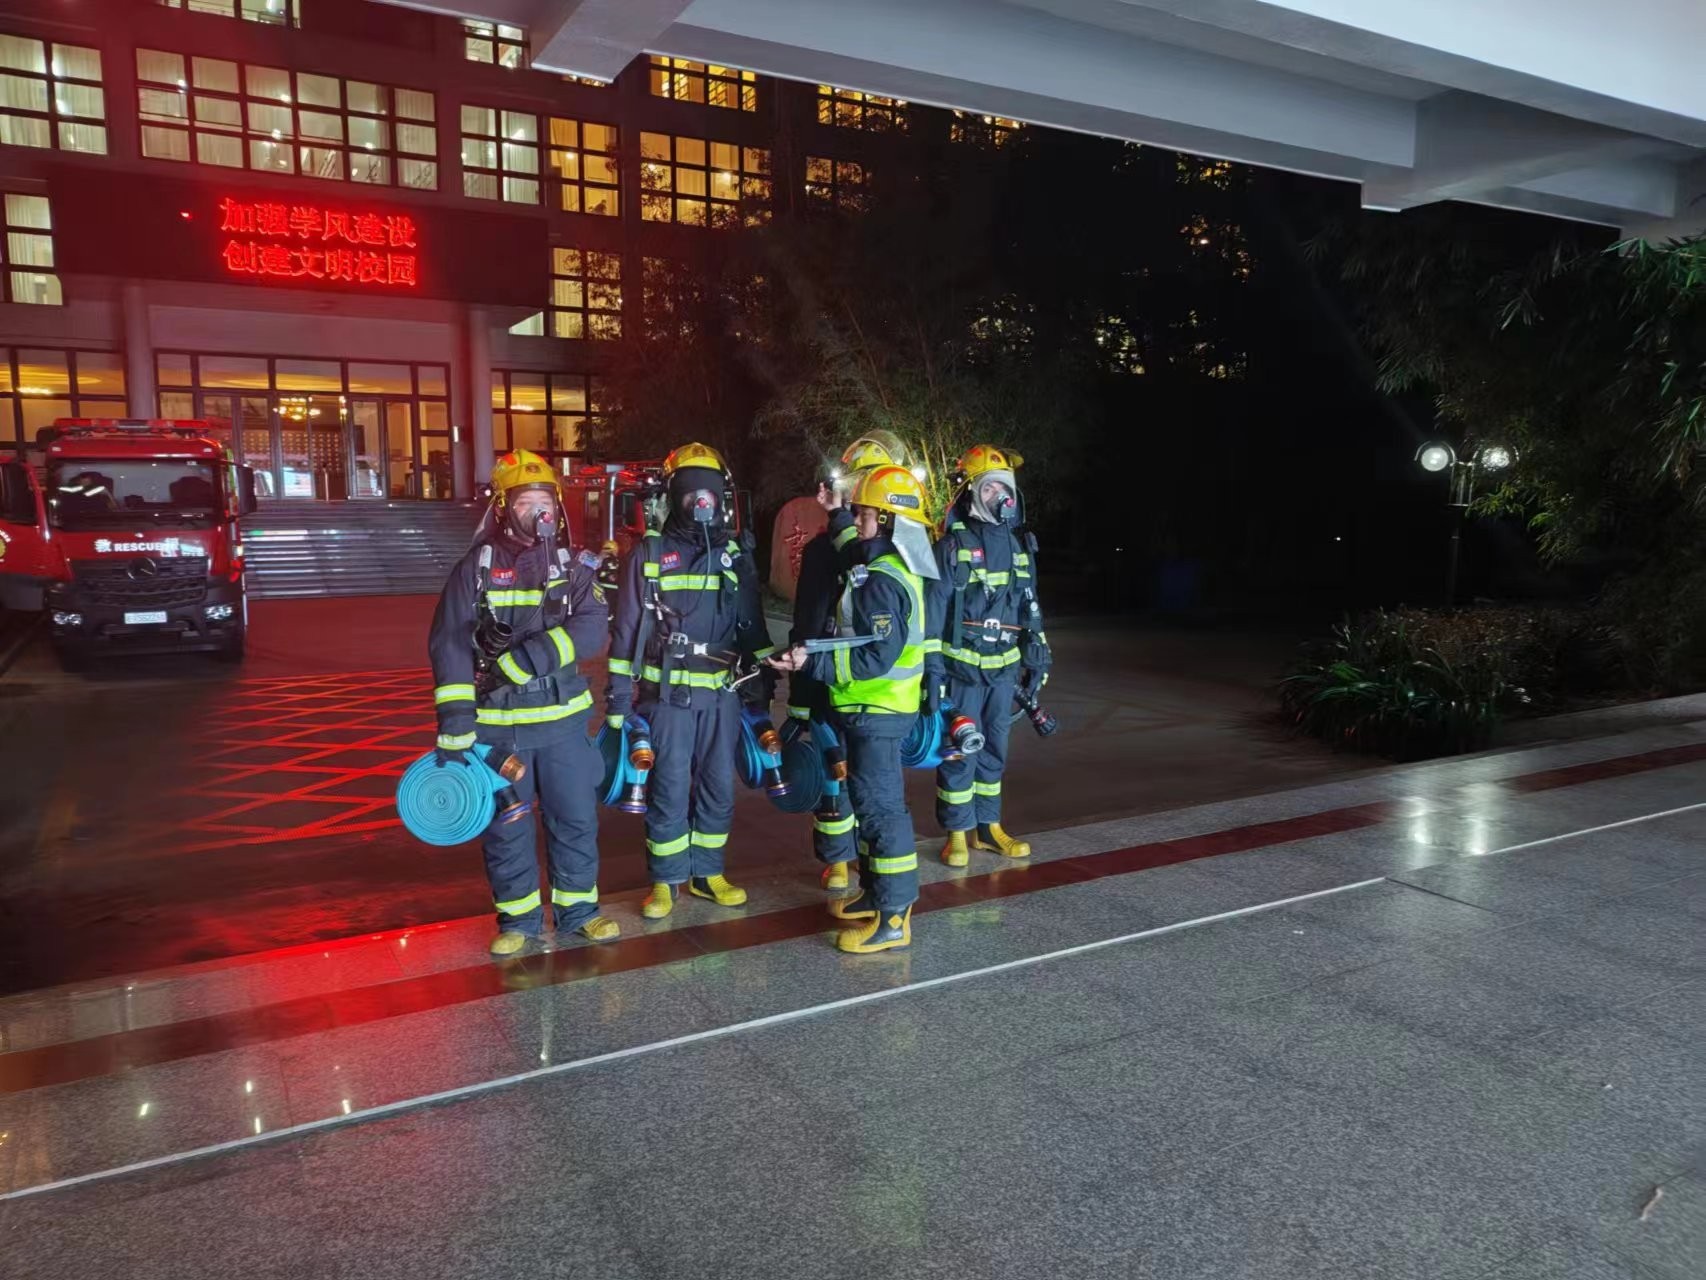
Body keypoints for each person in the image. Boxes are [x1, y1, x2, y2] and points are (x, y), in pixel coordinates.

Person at [428, 450, 616, 956]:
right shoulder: (477, 568)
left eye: (544, 502)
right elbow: (449, 644)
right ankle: (519, 922)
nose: (538, 512)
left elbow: (592, 626)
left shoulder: (573, 566)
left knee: (575, 819)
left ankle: (580, 912)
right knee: (507, 828)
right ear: (503, 507)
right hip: (499, 730)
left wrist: (526, 660)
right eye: (526, 502)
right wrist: (456, 720)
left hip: (562, 725)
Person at [769, 464, 937, 953]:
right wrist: (837, 512)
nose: (859, 522)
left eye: (864, 514)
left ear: (886, 522)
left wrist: (811, 662)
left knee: (881, 813)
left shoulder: (882, 581)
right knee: (867, 806)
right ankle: (874, 894)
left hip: (878, 712)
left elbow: (874, 657)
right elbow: (850, 549)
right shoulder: (886, 563)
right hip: (872, 711)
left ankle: (894, 918)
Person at [606, 442, 775, 919]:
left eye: (710, 491)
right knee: (669, 787)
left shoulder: (734, 554)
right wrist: (618, 705)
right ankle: (666, 881)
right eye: (690, 490)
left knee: (719, 787)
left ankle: (708, 873)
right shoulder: (650, 555)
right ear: (673, 494)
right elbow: (625, 634)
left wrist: (762, 693)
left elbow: (753, 627)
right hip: (668, 700)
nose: (702, 500)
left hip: (721, 697)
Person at [788, 431, 912, 892]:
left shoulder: (892, 556)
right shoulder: (829, 549)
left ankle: (872, 870)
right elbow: (808, 619)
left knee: (869, 788)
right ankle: (837, 858)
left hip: (869, 691)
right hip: (831, 680)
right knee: (833, 774)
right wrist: (802, 696)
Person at [925, 444, 1049, 866]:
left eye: (1005, 488)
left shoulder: (1019, 546)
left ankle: (988, 828)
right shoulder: (951, 547)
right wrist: (932, 671)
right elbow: (933, 613)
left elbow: (1029, 605)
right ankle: (956, 834)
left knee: (995, 750)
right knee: (960, 749)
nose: (1001, 496)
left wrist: (1038, 655)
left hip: (1003, 673)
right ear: (972, 493)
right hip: (961, 671)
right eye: (990, 488)